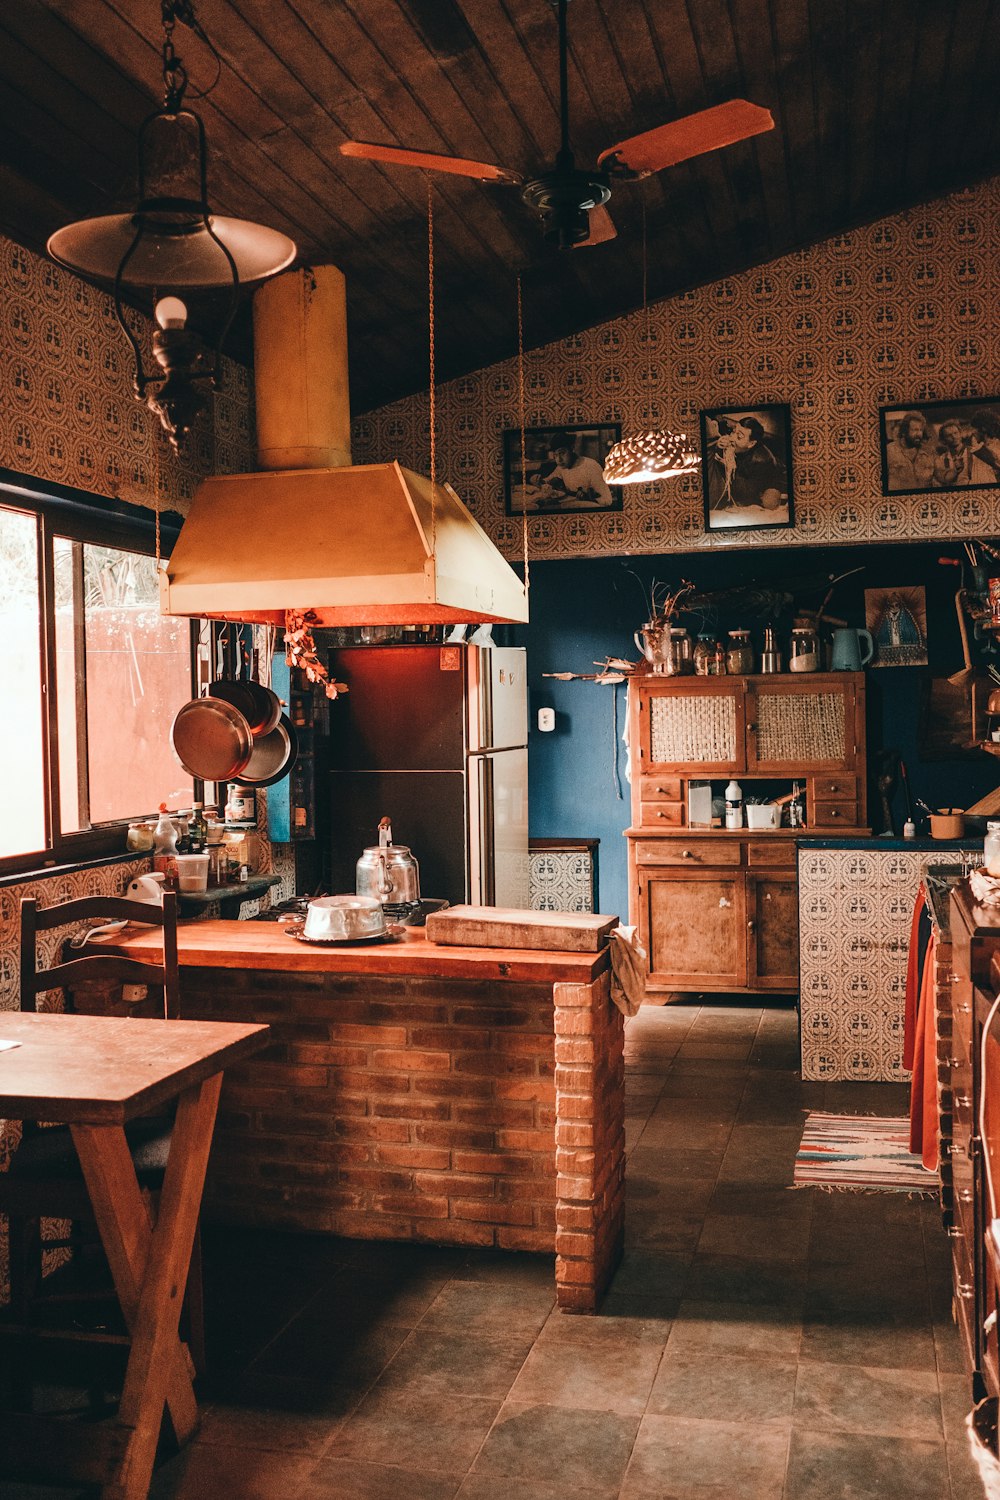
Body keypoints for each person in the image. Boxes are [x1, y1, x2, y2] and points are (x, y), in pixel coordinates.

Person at [704, 415, 787, 513]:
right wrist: (719, 444)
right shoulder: (736, 444)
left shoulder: (761, 460)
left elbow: (745, 493)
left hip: (777, 477)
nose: (733, 437)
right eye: (734, 431)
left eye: (739, 436)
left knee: (769, 503)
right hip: (749, 470)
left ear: (751, 444)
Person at [528, 432, 613, 508]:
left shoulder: (591, 466)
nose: (559, 459)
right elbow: (548, 481)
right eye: (555, 455)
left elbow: (607, 500)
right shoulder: (562, 467)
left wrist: (589, 499)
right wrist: (538, 481)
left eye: (562, 453)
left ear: (572, 448)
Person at [885, 410, 934, 491]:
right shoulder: (889, 451)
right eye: (914, 430)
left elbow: (939, 478)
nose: (919, 434)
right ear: (904, 432)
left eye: (920, 430)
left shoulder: (929, 451)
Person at [932, 418, 975, 488]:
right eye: (949, 435)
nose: (954, 437)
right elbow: (942, 481)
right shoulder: (941, 459)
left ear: (960, 434)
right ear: (943, 440)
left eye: (955, 433)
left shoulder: (974, 453)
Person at [966, 409, 1000, 485]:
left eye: (975, 429)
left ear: (984, 428)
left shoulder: (997, 447)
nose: (973, 432)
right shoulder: (976, 448)